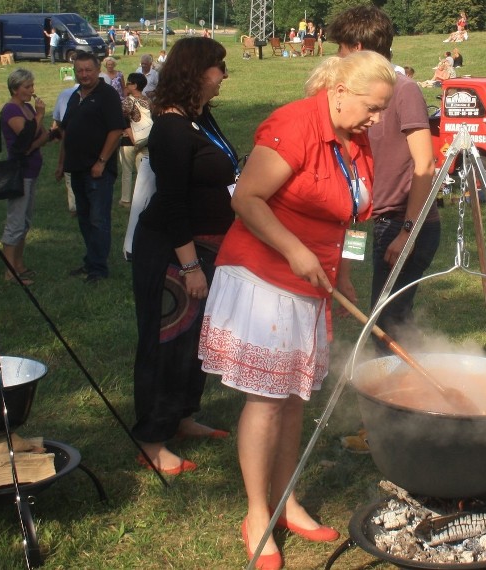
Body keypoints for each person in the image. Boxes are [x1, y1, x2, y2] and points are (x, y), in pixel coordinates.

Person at [198, 50, 395, 570]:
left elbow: (355, 217)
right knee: (266, 400)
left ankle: (287, 500)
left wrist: (346, 275)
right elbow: (247, 198)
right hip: (264, 277)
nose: (378, 119)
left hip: (312, 283)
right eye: (373, 108)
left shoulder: (359, 141)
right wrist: (294, 249)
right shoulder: (294, 124)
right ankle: (257, 513)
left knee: (292, 401)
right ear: (340, 92)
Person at [328, 5, 440, 452]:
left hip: (401, 225)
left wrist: (407, 230)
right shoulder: (354, 94)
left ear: (357, 48)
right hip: (366, 223)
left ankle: (389, 429)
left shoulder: (405, 90)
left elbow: (425, 164)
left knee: (387, 326)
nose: (336, 57)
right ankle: (383, 419)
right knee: (365, 315)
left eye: (340, 48)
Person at [130, 37, 235, 475]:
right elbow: (172, 203)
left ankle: (183, 416)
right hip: (173, 254)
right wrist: (190, 266)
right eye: (218, 68)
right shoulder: (171, 129)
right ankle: (153, 439)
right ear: (196, 72)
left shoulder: (199, 119)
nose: (223, 76)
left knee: (196, 342)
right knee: (167, 341)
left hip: (205, 246)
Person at [55, 52, 125, 284]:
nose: (84, 74)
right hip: (76, 167)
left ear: (98, 70)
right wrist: (61, 162)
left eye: (88, 70)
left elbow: (116, 131)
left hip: (97, 170)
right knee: (84, 217)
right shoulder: (76, 96)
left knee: (98, 218)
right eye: (79, 70)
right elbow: (66, 132)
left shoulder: (107, 95)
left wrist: (101, 162)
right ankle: (91, 259)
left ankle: (98, 268)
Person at [0, 69, 52, 285]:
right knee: (16, 221)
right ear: (15, 88)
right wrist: (39, 116)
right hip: (19, 172)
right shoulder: (11, 110)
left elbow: (41, 136)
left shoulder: (27, 107)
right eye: (27, 87)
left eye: (32, 86)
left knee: (25, 221)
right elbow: (26, 138)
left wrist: (43, 135)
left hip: (32, 170)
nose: (32, 90)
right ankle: (10, 272)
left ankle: (19, 264)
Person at [118, 72, 151, 207]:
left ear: (135, 85)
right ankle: (144, 198)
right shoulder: (148, 101)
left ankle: (126, 199)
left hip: (128, 141)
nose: (126, 85)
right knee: (143, 173)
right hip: (146, 139)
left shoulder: (127, 101)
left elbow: (123, 121)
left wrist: (132, 138)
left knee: (127, 171)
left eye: (129, 83)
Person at [51, 85, 79, 215]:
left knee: (70, 172)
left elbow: (57, 117)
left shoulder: (64, 93)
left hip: (69, 136)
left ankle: (74, 206)